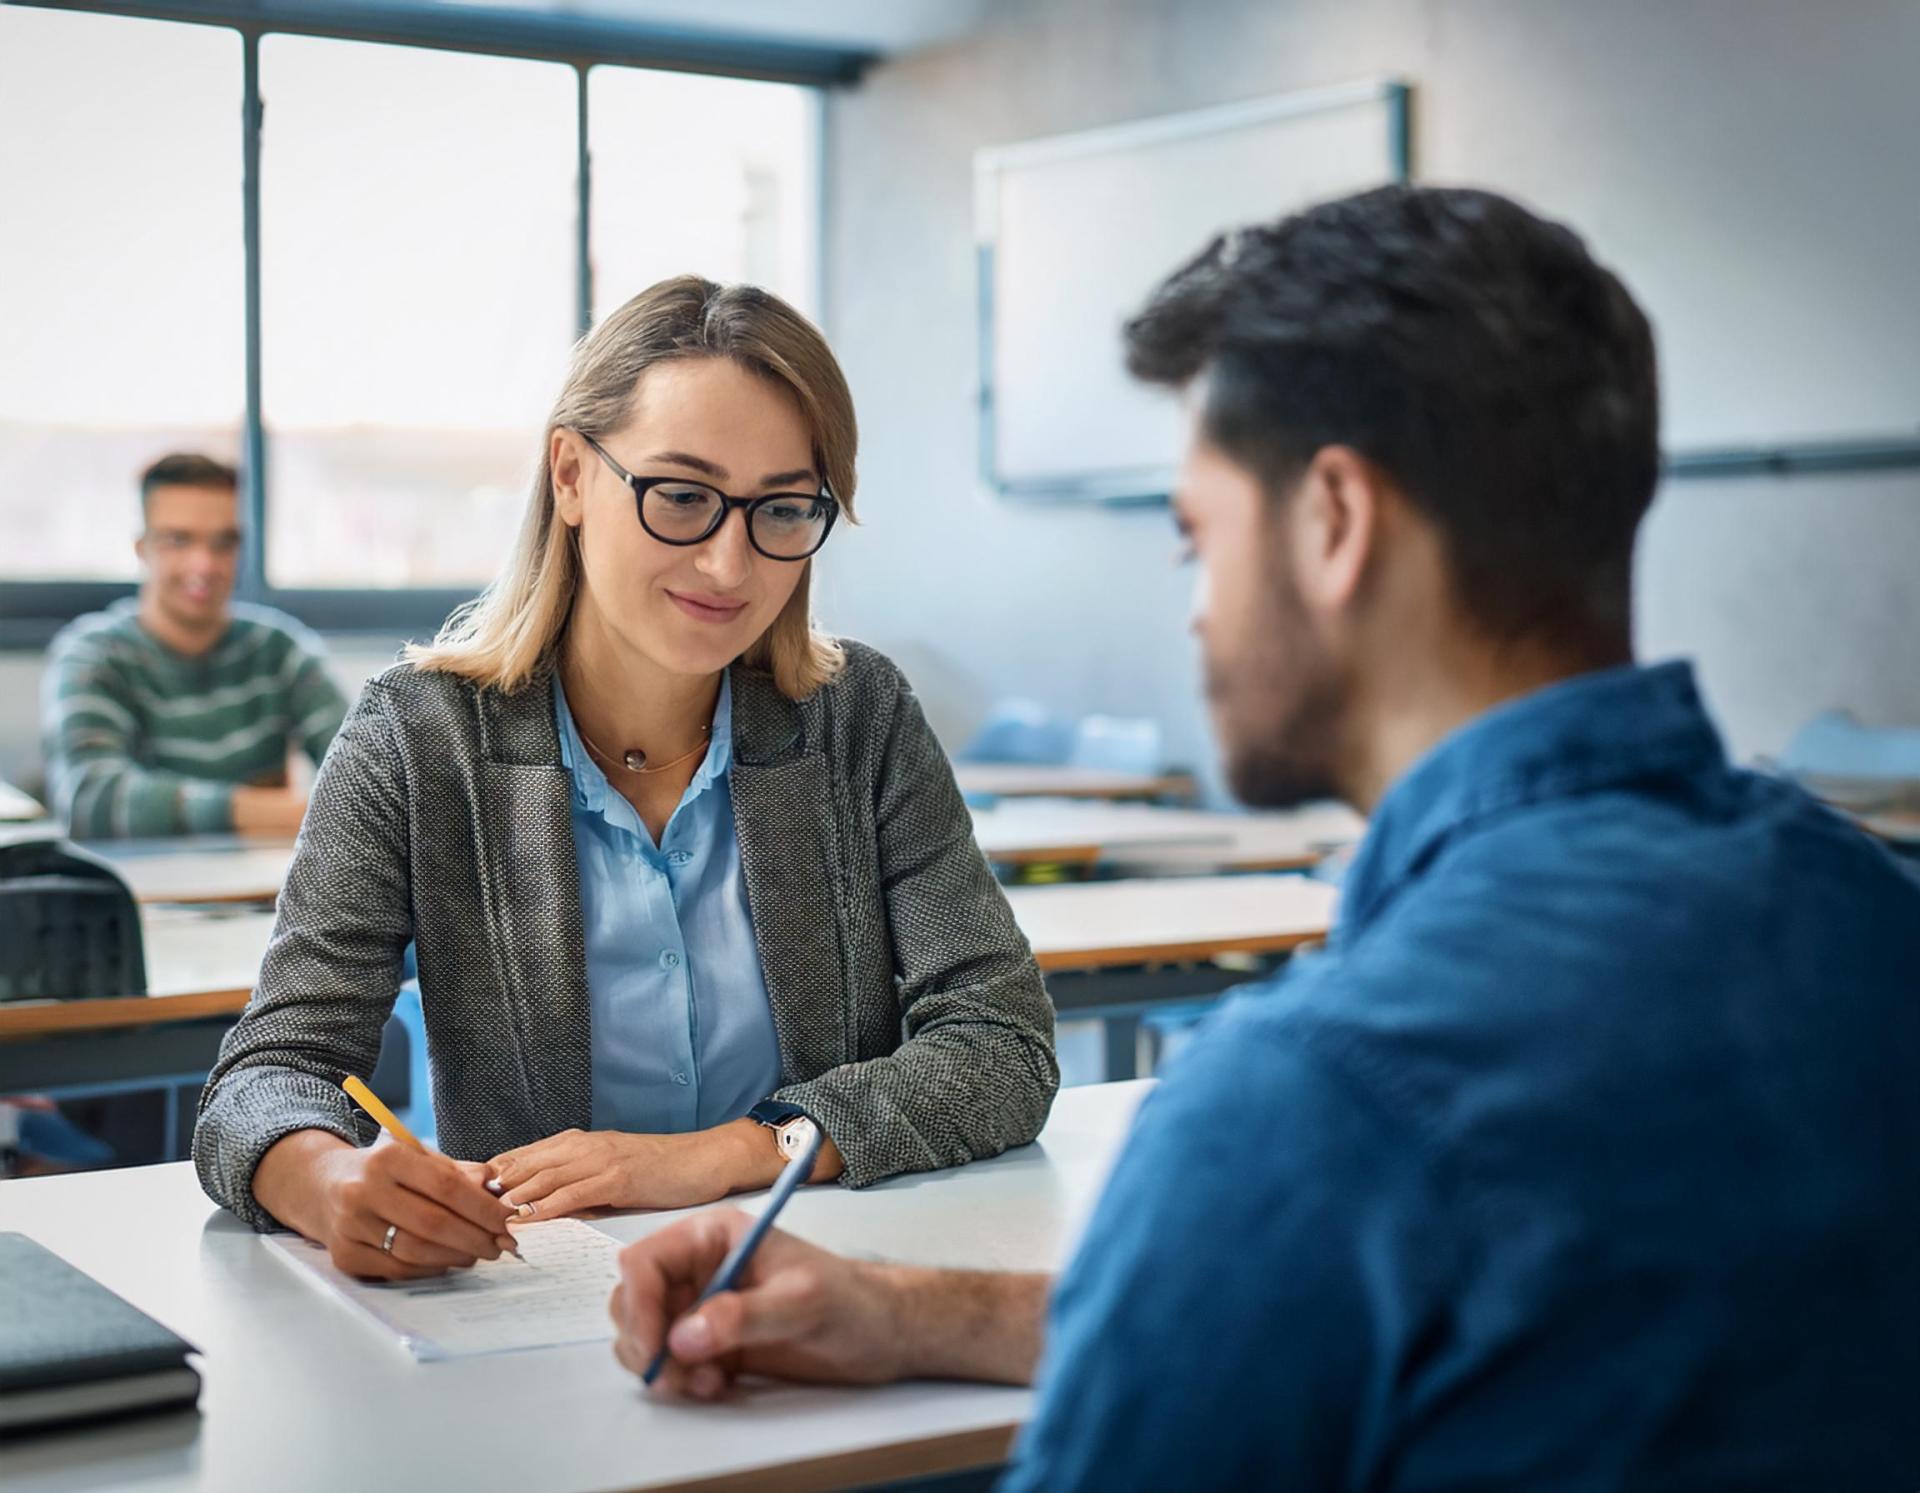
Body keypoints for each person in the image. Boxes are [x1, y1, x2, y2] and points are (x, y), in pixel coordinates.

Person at [608, 188, 1920, 1488]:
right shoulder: (1871, 917)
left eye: (1198, 538)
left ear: (1334, 523)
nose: (1197, 613)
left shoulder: (1314, 1100)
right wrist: (908, 1312)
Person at [194, 277, 1058, 1282]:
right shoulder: (417, 737)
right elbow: (268, 1075)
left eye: (782, 507)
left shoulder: (858, 717)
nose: (731, 565)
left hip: (825, 1278)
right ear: (570, 474)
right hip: (532, 1297)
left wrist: (731, 1152)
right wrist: (329, 1183)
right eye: (682, 496)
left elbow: (1003, 1043)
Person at [41, 452, 346, 840]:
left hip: (262, 890)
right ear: (142, 548)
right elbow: (91, 801)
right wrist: (273, 809)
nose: (204, 564)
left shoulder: (280, 650)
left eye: (223, 543)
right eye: (178, 540)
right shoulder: (92, 656)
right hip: (143, 891)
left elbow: (365, 774)